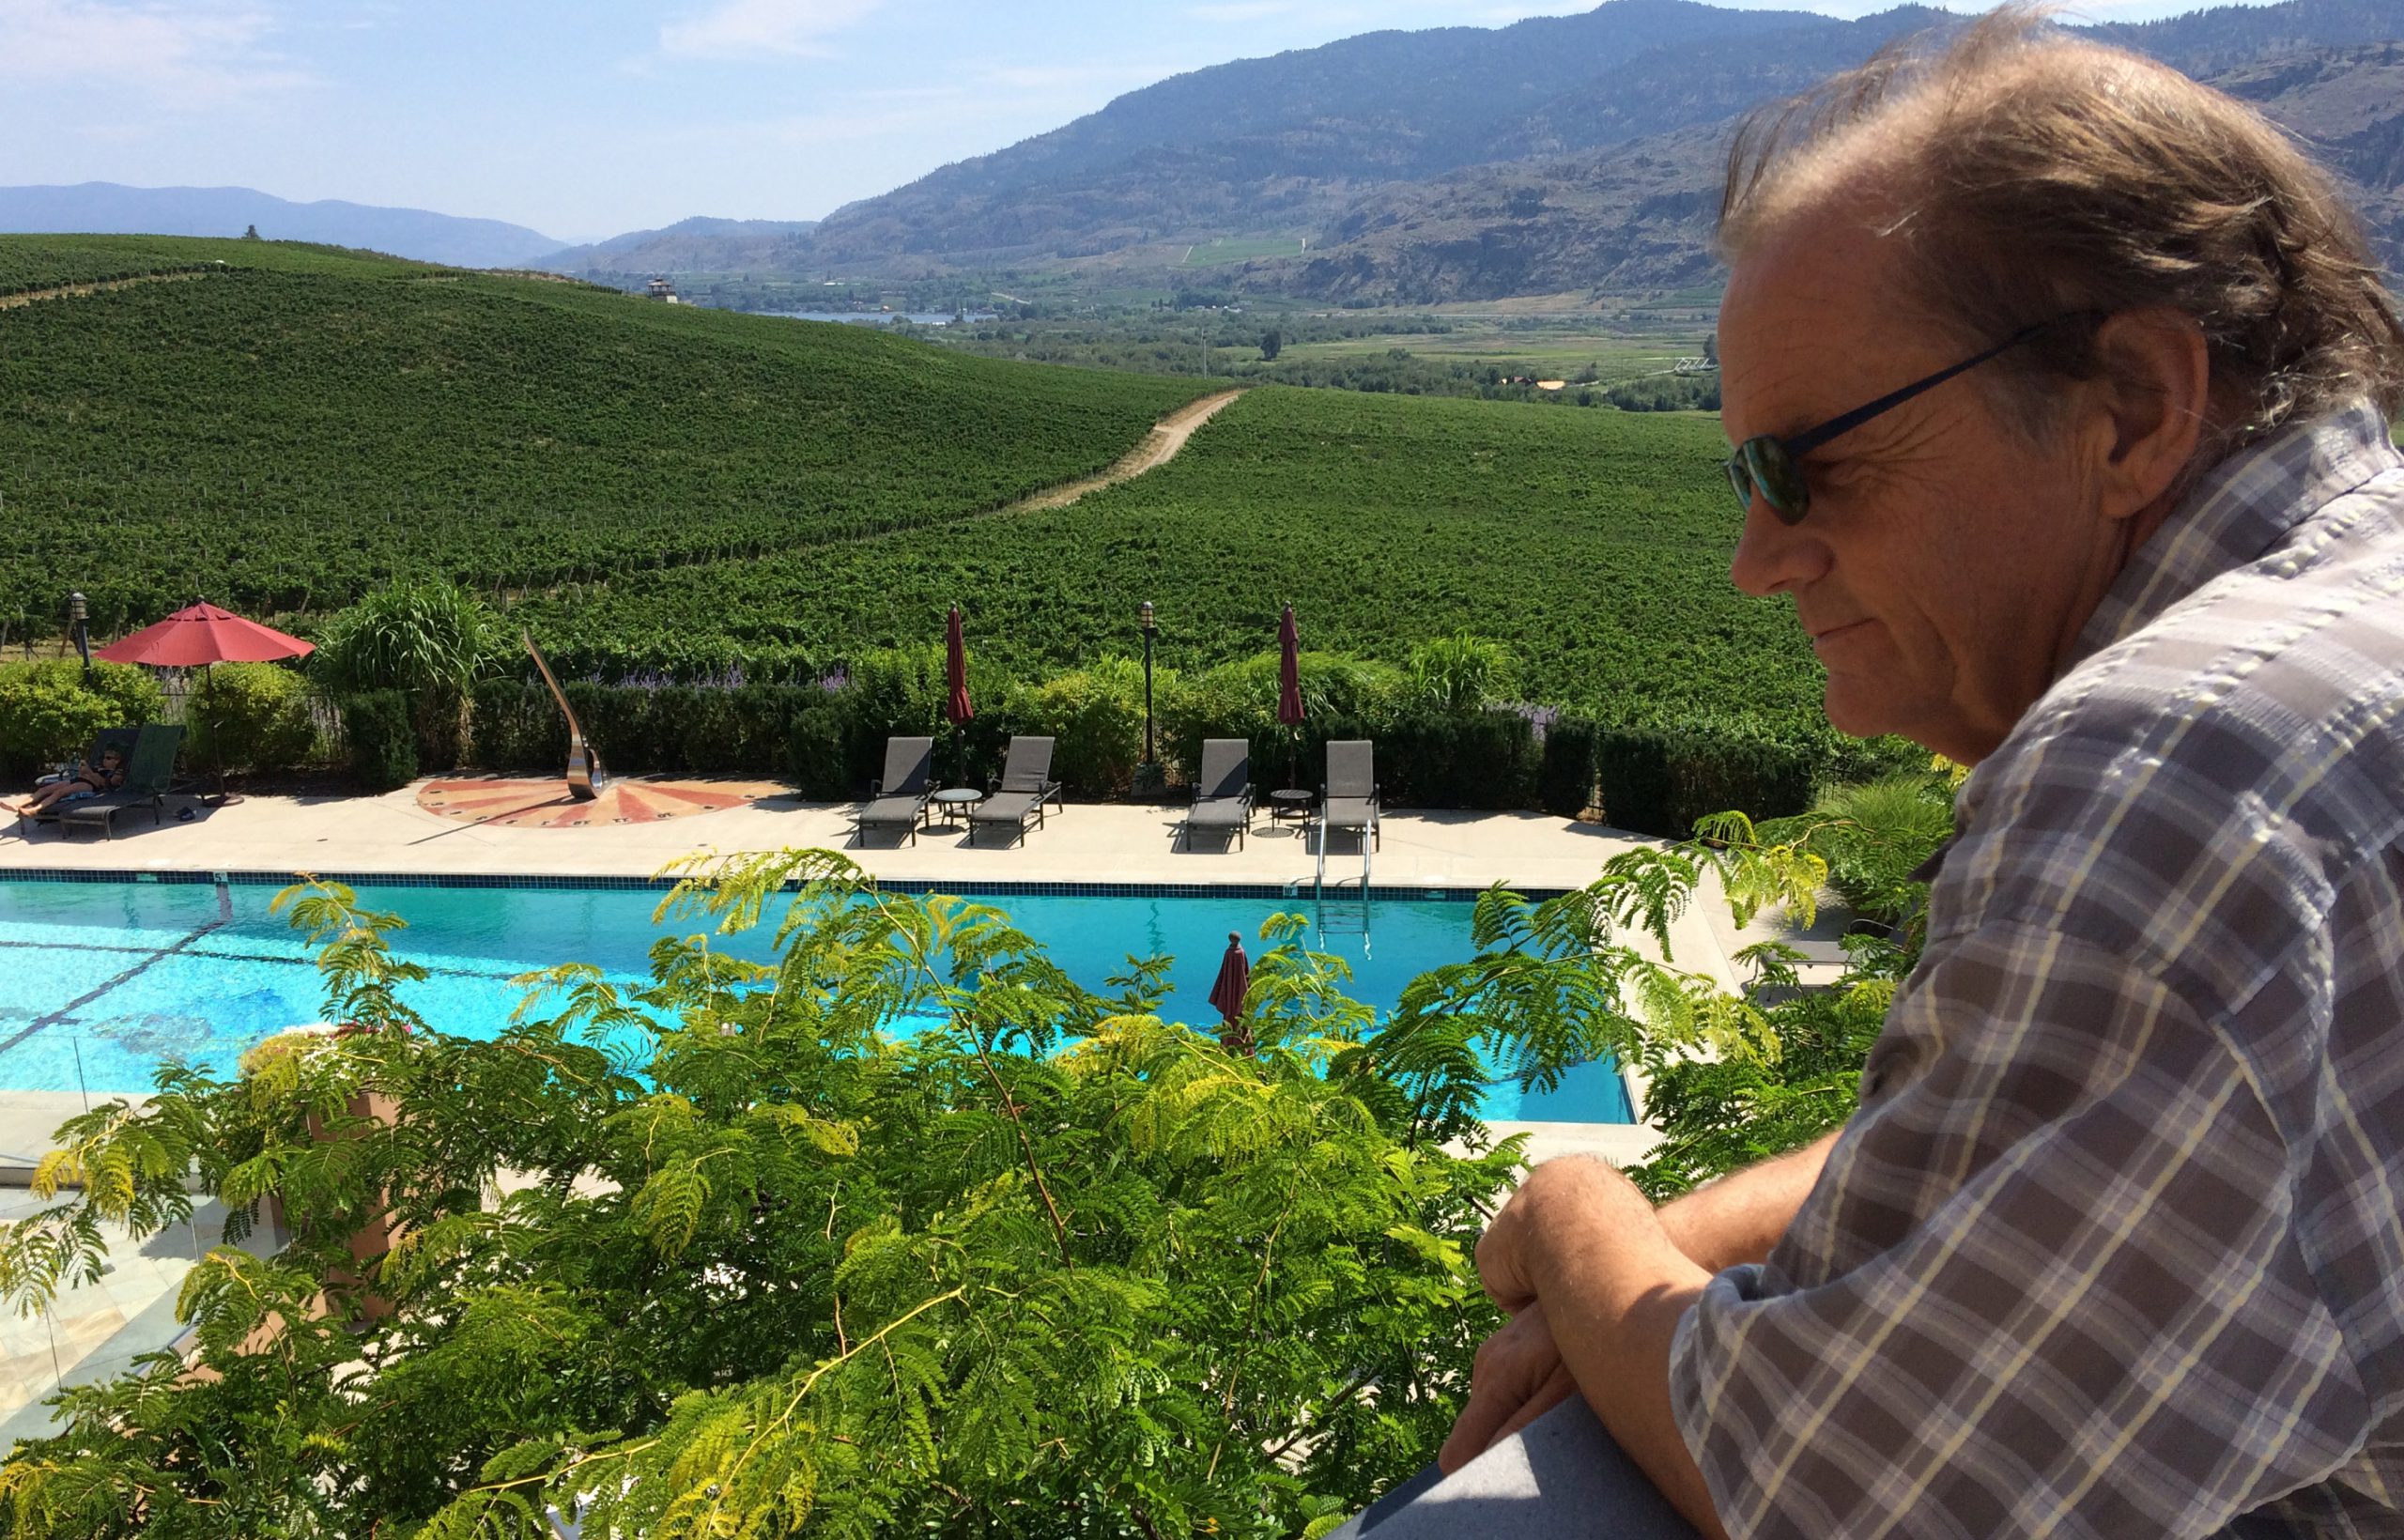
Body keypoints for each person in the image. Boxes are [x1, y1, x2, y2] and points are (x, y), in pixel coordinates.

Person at [1345, 9, 2404, 1538]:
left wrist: (1578, 1222)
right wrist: (1700, 1230)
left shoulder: (2176, 773)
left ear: (2132, 408)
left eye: (1808, 464)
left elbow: (1828, 1491)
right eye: (1745, 475)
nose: (1756, 559)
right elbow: (2114, 1144)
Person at [13, 745, 126, 815]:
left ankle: (36, 809)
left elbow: (107, 785)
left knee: (59, 793)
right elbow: (83, 774)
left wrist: (90, 772)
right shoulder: (99, 767)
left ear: (117, 760)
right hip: (79, 779)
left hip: (90, 786)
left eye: (108, 758)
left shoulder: (117, 772)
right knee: (44, 789)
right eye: (104, 757)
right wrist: (83, 770)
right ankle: (18, 805)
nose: (104, 760)